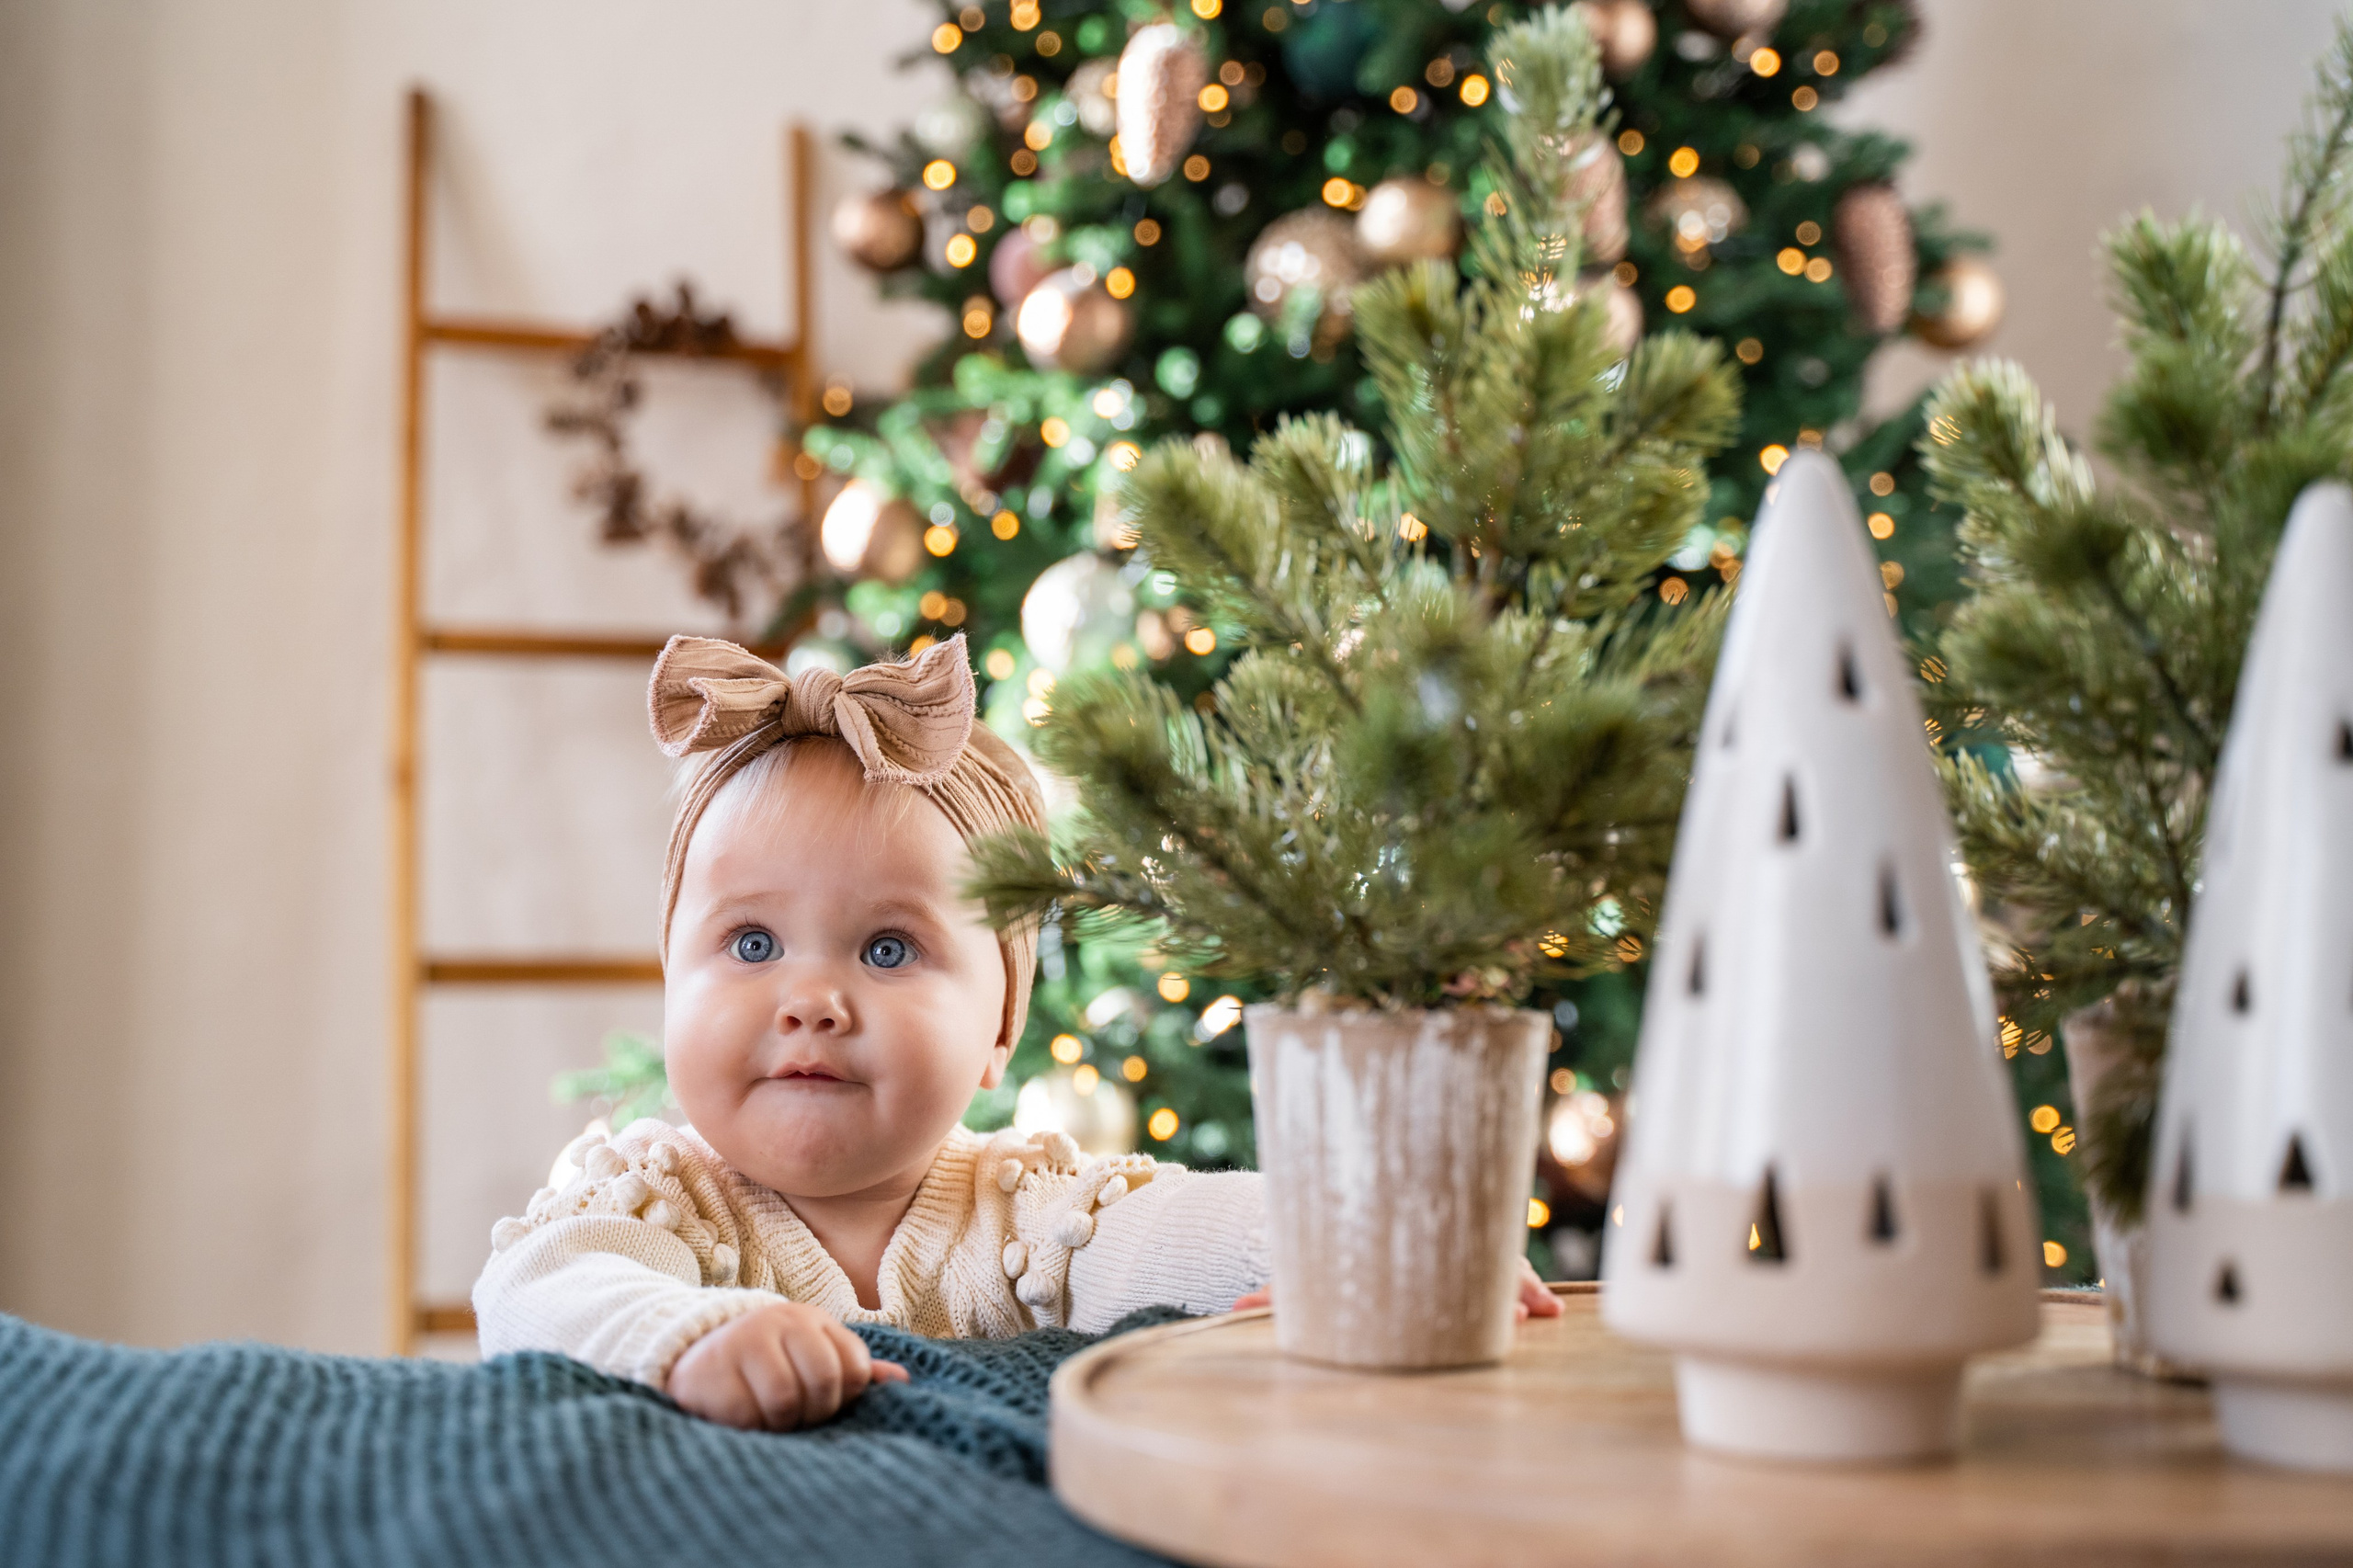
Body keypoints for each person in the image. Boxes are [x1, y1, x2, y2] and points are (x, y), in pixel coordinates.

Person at [473, 634, 1554, 1432]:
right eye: (750, 943)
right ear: (671, 976)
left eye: (888, 949)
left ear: (1001, 1023)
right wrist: (689, 1338)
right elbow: (538, 1287)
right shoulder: (658, 1199)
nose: (811, 999)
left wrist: (1364, 1239)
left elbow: (1179, 1223)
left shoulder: (1024, 1213)